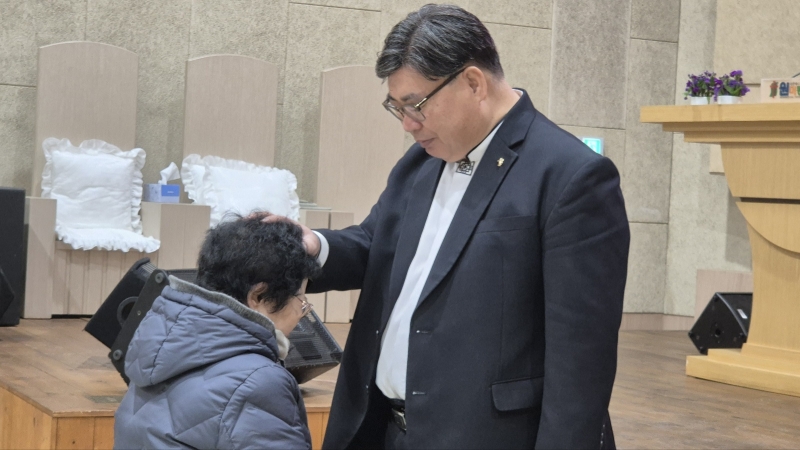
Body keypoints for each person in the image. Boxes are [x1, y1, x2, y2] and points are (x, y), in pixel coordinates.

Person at [284, 4, 629, 449]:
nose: (408, 124)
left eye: (416, 105)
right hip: (382, 428)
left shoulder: (570, 176)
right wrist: (313, 245)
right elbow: (377, 244)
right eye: (396, 108)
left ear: (473, 83)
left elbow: (581, 361)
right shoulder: (422, 161)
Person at [114, 215, 320, 449]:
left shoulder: (156, 342)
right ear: (259, 296)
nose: (301, 312)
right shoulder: (259, 382)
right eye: (300, 300)